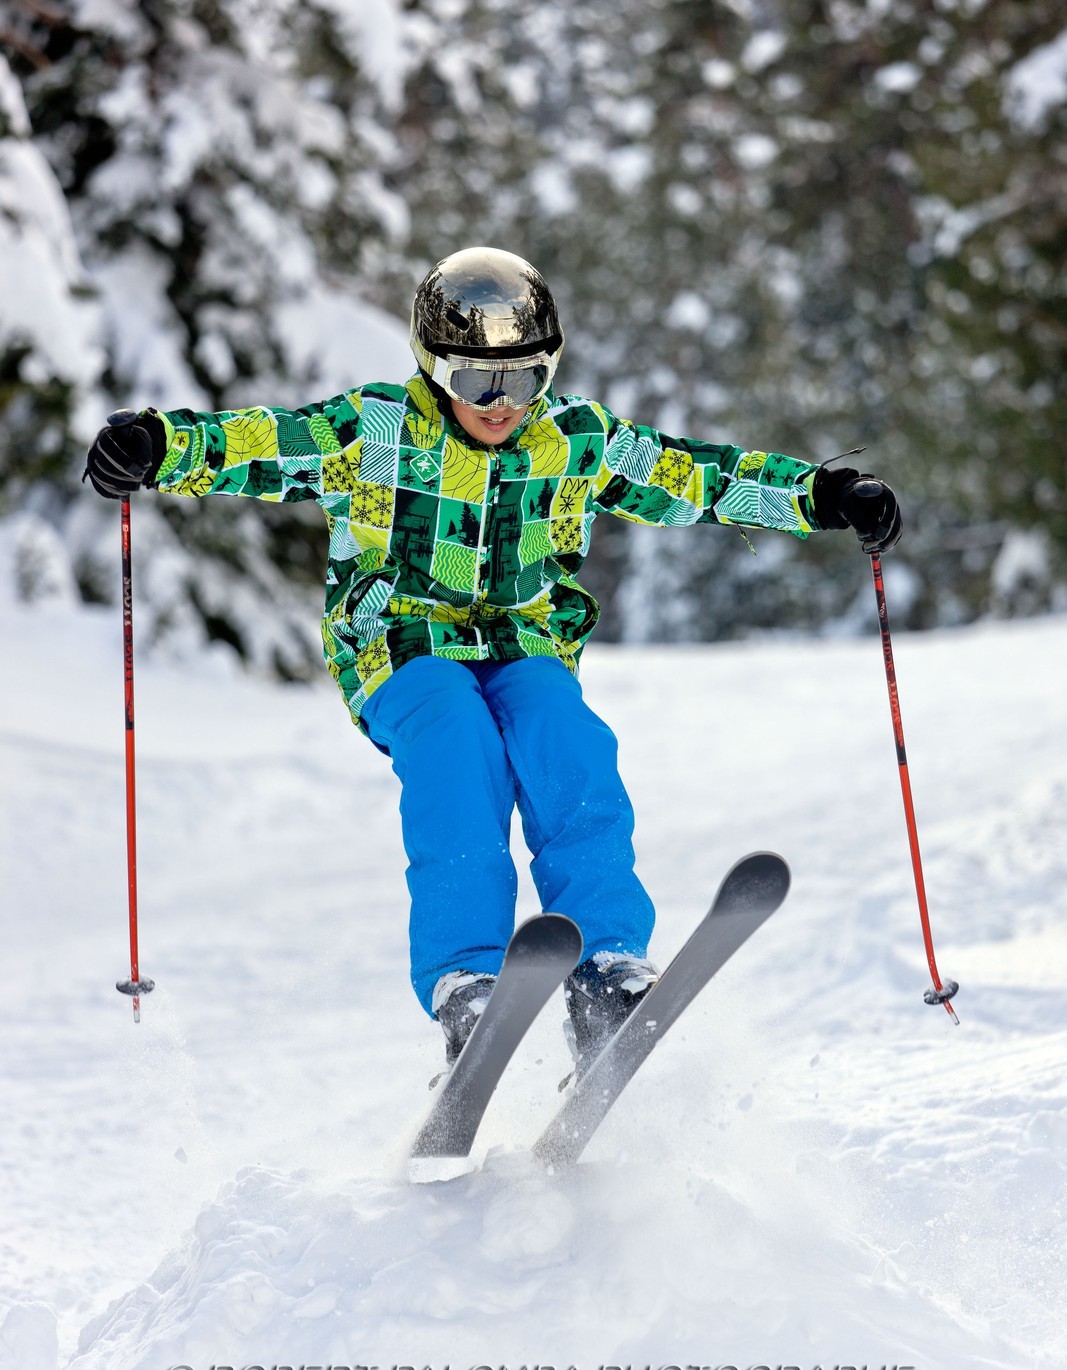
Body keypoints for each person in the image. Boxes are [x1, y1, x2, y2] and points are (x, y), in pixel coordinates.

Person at [85, 246, 901, 1075]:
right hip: (401, 642)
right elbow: (262, 445)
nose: (503, 403)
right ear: (435, 367)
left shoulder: (575, 439)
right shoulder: (374, 431)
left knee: (565, 738)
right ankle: (466, 980)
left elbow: (692, 476)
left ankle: (608, 969)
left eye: (525, 379)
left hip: (524, 641)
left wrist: (820, 495)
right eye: (478, 382)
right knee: (455, 742)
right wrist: (158, 444)